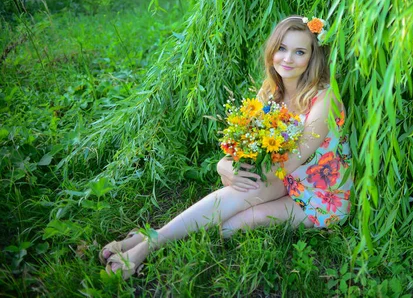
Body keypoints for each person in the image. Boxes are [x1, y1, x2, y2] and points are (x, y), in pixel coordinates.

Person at [100, 15, 353, 279]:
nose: (287, 58)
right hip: (284, 180)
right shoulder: (270, 94)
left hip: (318, 198)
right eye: (282, 48)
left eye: (299, 51)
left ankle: (152, 240)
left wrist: (239, 175)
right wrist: (226, 165)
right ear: (272, 50)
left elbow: (287, 163)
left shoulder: (325, 99)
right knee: (240, 190)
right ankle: (149, 242)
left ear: (312, 57)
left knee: (229, 226)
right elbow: (250, 152)